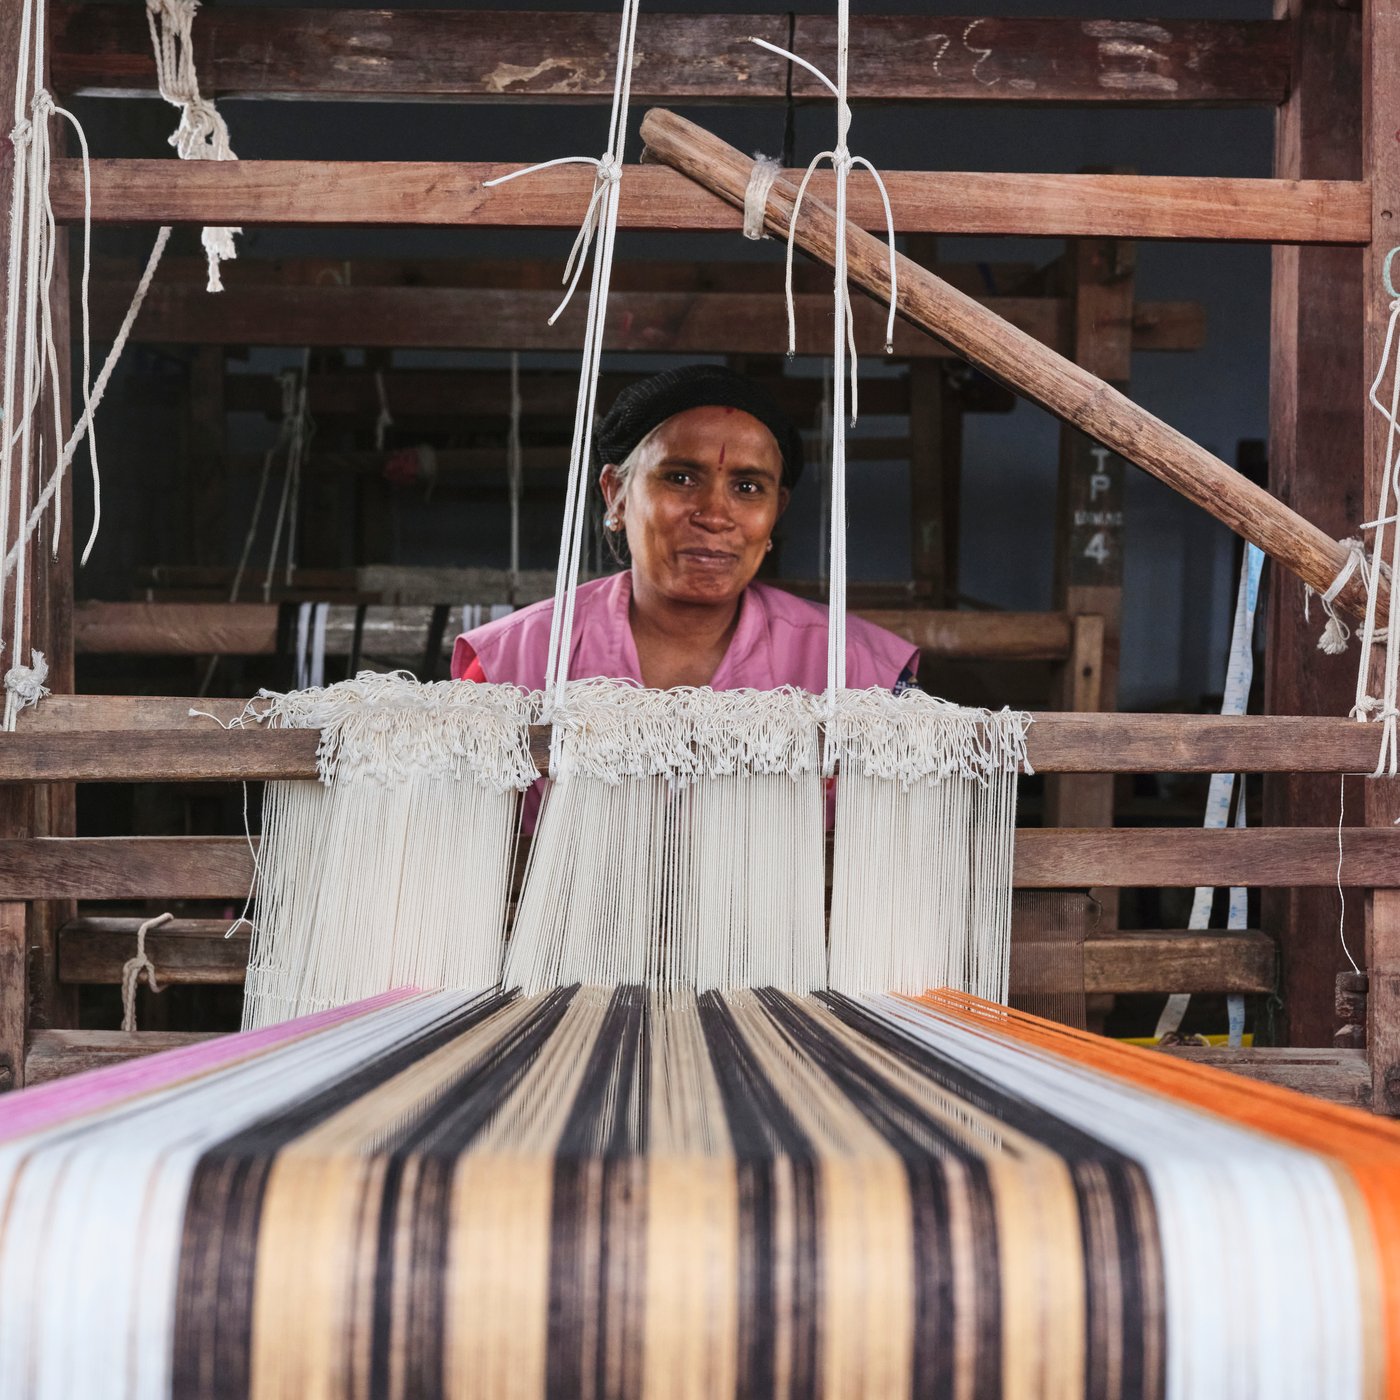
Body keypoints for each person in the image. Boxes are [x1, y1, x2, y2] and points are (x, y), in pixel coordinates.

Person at [452, 364, 918, 694]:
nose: (715, 515)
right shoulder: (508, 667)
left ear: (777, 509)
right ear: (615, 493)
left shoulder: (861, 675)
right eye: (680, 478)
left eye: (749, 487)